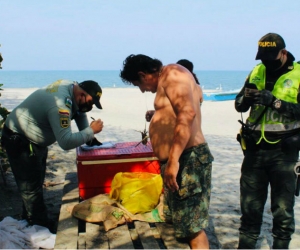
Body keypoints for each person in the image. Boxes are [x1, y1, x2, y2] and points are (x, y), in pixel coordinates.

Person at [120, 54, 214, 249]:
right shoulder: (171, 78)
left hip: (188, 160)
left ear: (143, 75)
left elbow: (188, 113)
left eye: (138, 84)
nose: (142, 90)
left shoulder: (172, 74)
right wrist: (158, 116)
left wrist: (173, 161)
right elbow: (178, 111)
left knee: (192, 229)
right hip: (181, 159)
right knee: (178, 221)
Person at [1, 79, 104, 232]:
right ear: (81, 94)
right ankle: (39, 228)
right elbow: (66, 142)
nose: (90, 107)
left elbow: (79, 113)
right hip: (20, 140)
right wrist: (90, 131)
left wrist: (91, 140)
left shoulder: (71, 89)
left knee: (35, 182)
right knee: (30, 189)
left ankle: (29, 218)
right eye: (90, 102)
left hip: (35, 140)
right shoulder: (60, 105)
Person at [235, 33, 300, 249]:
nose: (266, 63)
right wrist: (246, 98)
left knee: (282, 211)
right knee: (249, 209)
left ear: (283, 53)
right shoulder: (257, 70)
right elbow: (239, 104)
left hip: (284, 153)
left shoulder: (299, 74)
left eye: (270, 58)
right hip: (254, 151)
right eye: (262, 58)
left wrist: (275, 103)